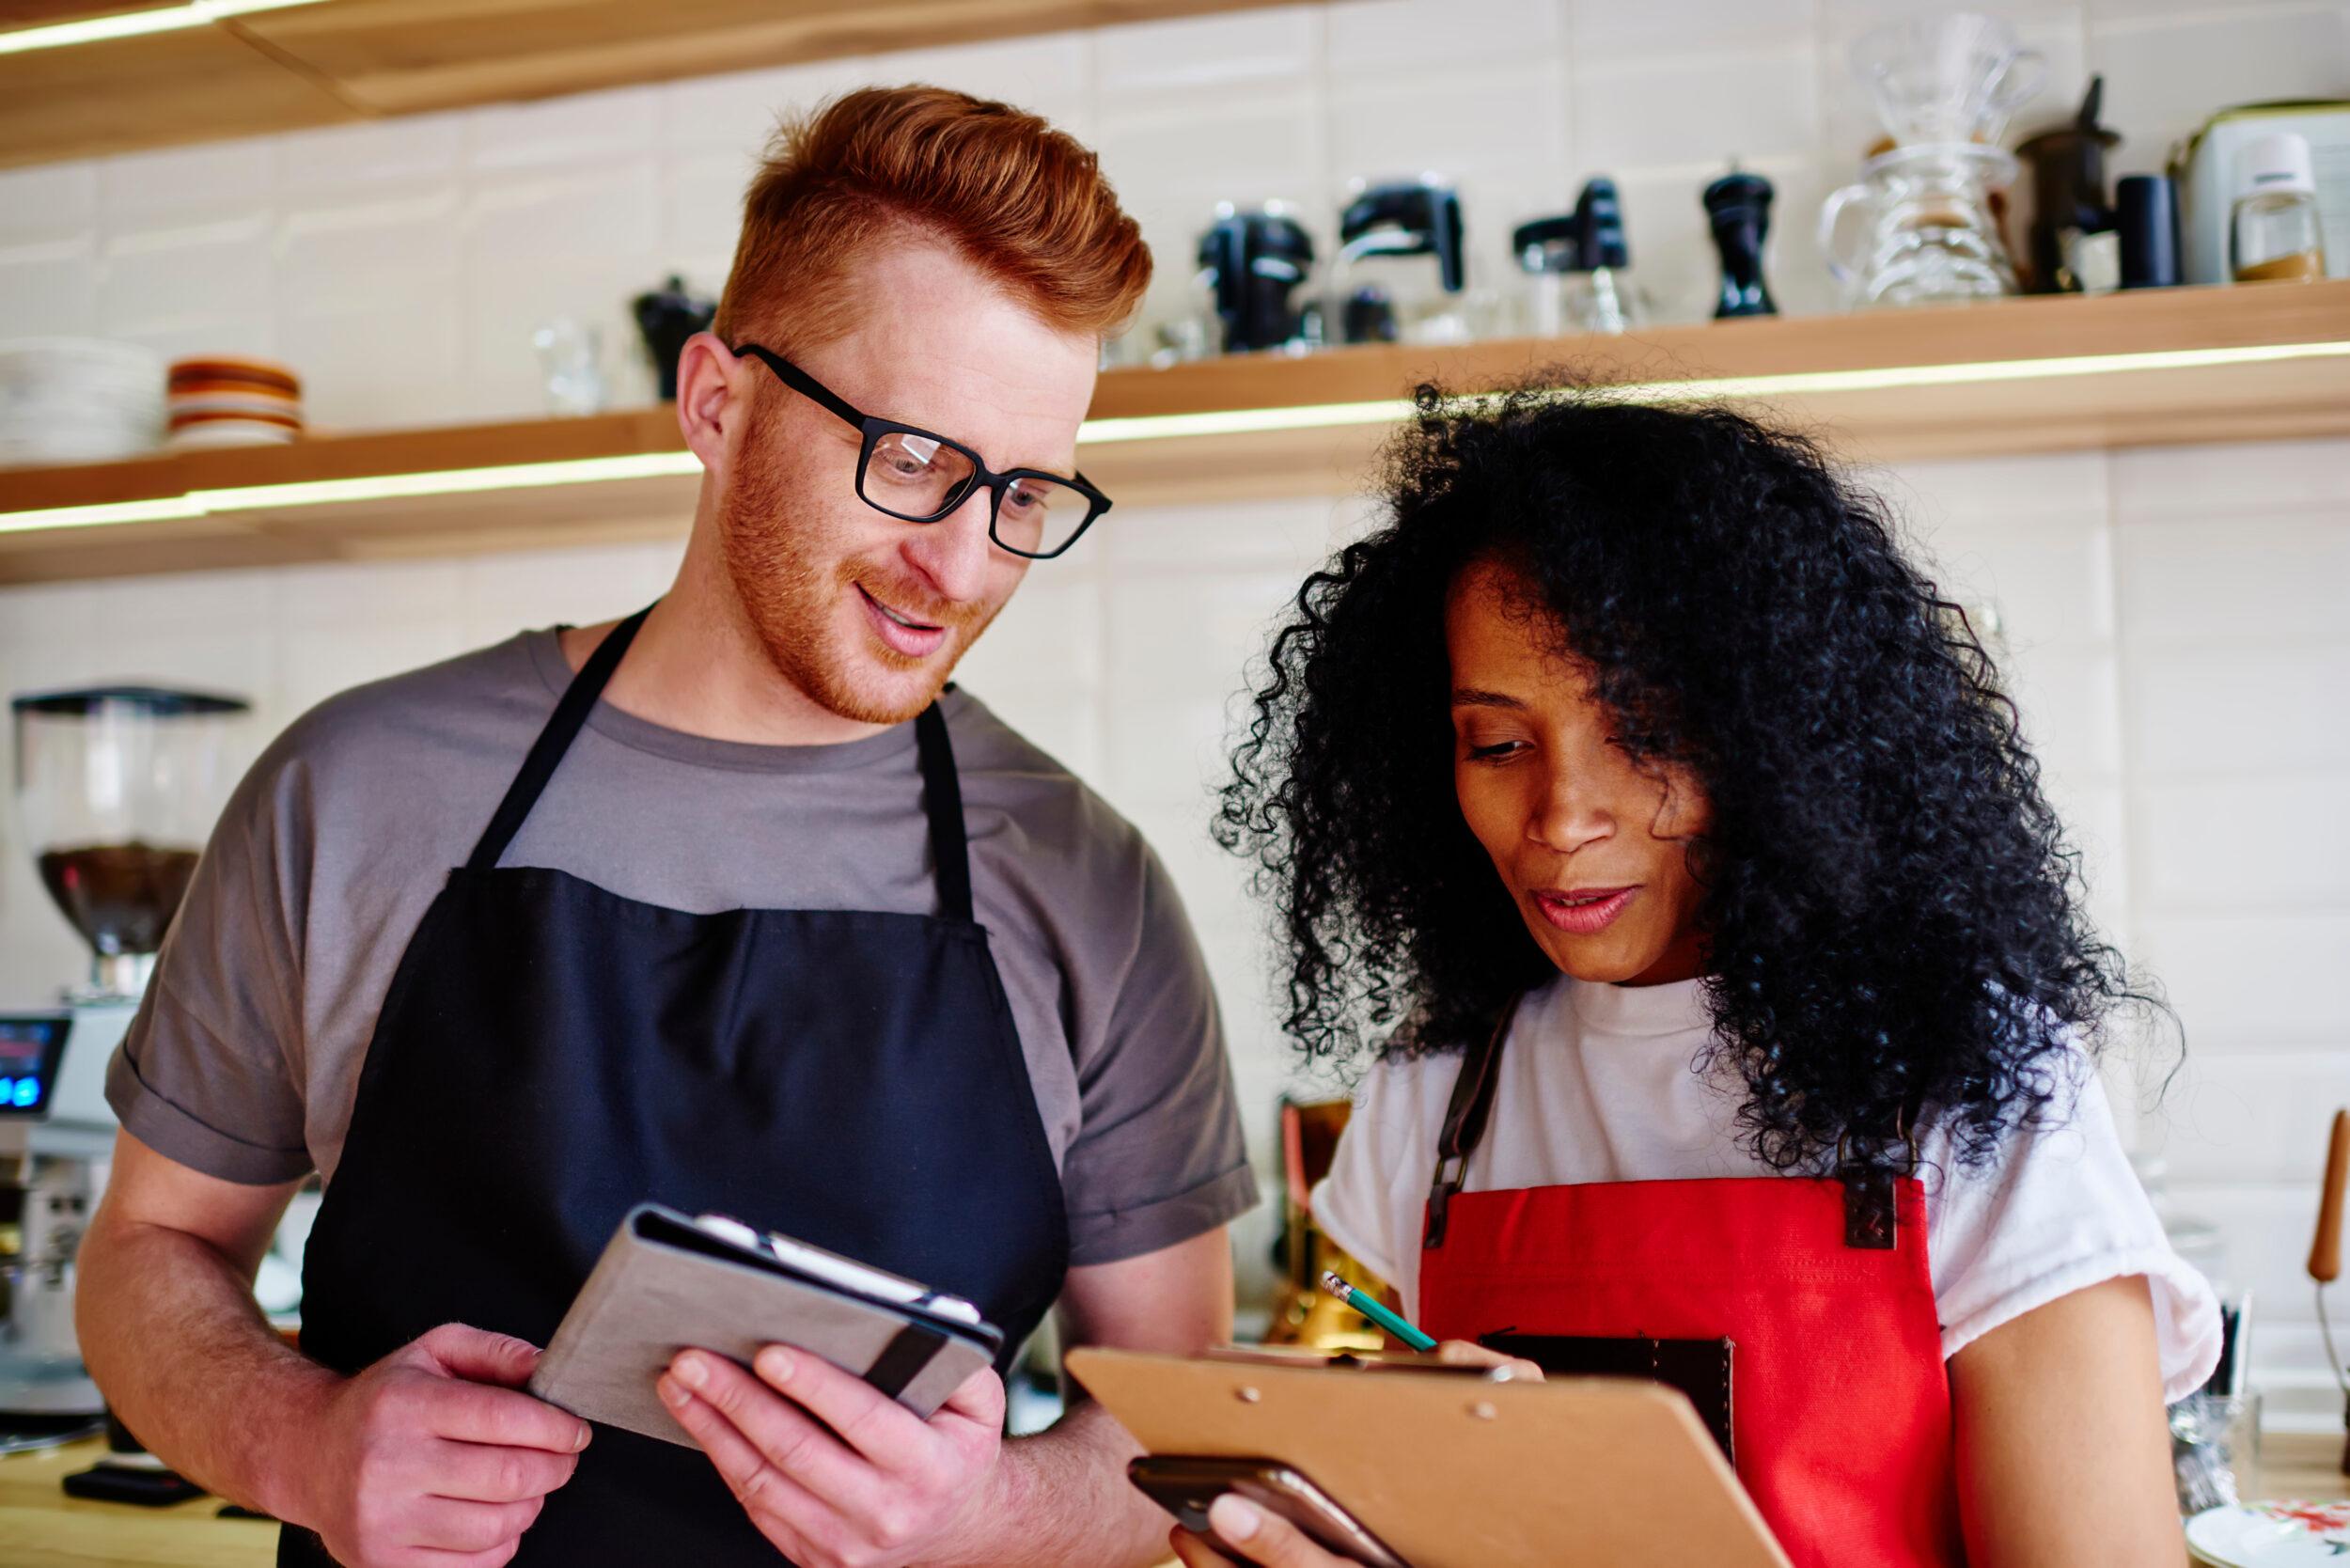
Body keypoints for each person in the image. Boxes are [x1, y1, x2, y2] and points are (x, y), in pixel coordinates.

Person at [75, 86, 1258, 1568]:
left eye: (1025, 493)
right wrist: (301, 1445)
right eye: (910, 459)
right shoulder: (358, 789)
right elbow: (145, 1255)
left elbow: (1183, 1426)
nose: (960, 565)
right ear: (718, 399)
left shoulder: (1092, 888)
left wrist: (999, 1515)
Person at [1198, 385, 2217, 1568]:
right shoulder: (1440, 1089)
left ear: (1776, 740)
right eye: (1498, 743)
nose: (1563, 818)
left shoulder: (1968, 1081)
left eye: (1645, 732)